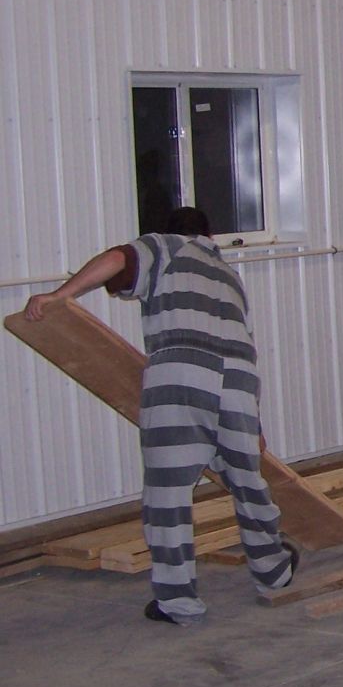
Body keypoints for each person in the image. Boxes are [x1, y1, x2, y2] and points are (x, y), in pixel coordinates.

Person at [23, 207, 297, 624]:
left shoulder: (162, 246)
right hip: (239, 381)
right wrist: (252, 424)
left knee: (168, 494)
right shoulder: (229, 277)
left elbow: (118, 259)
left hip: (183, 370)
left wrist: (61, 296)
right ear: (209, 234)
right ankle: (273, 571)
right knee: (247, 481)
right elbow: (244, 344)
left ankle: (179, 603)